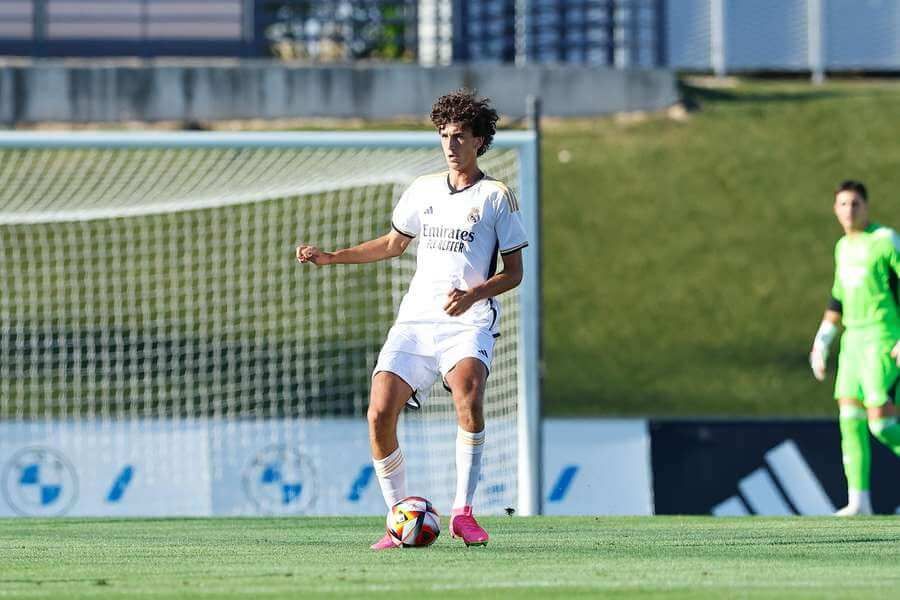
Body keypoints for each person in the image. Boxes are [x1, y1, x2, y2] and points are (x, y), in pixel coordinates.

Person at [296, 90, 527, 547]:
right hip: (416, 322)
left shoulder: (496, 196)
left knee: (469, 393)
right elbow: (391, 244)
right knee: (379, 410)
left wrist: (476, 292)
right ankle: (398, 516)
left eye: (459, 136)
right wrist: (331, 256)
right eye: (444, 136)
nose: (450, 144)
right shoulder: (422, 190)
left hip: (467, 320)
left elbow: (514, 273)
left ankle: (463, 512)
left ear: (479, 141)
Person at [809, 180, 900, 516]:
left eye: (856, 203)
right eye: (844, 204)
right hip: (853, 342)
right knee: (850, 418)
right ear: (835, 210)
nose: (850, 210)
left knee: (882, 424)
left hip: (883, 338)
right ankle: (859, 501)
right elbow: (838, 299)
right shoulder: (842, 248)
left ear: (867, 206)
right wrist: (822, 342)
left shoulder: (885, 240)